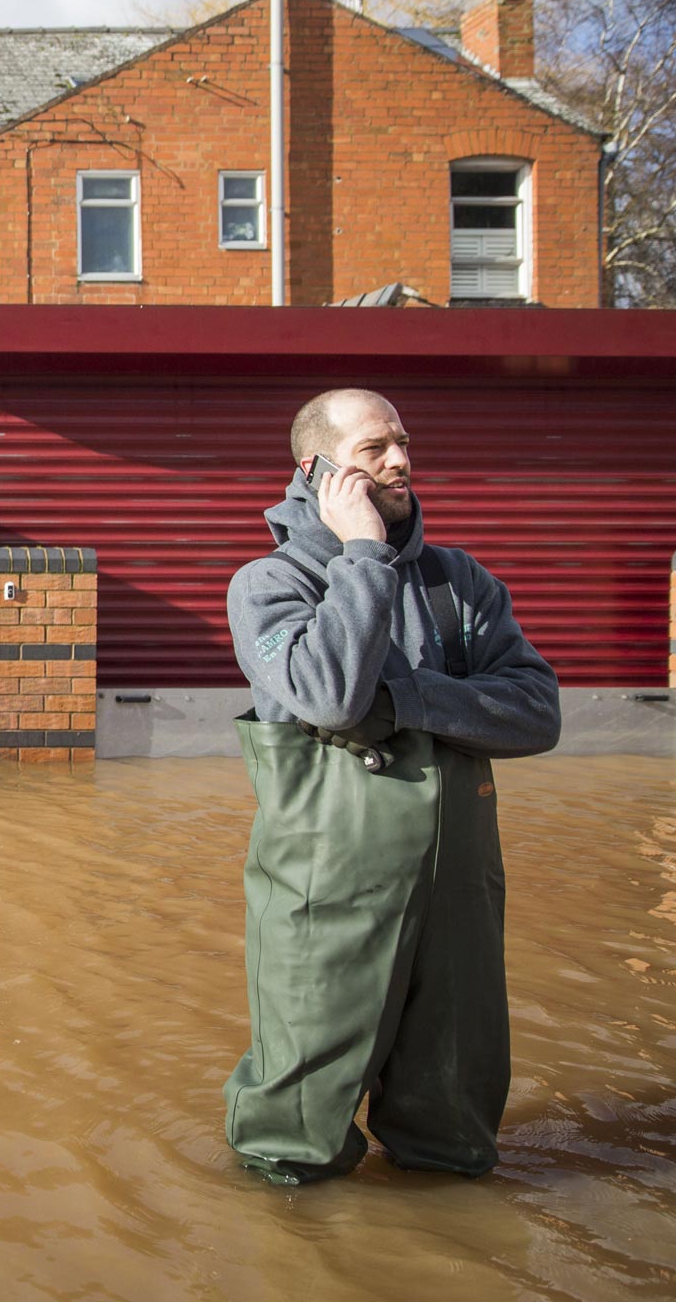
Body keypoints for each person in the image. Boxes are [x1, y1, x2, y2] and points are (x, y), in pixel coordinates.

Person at [222, 388, 560, 1185]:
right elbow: (334, 694)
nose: (401, 460)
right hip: (326, 892)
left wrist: (408, 700)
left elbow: (538, 713)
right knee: (294, 1133)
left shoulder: (458, 583)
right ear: (318, 470)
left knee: (455, 1123)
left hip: (459, 894)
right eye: (375, 449)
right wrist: (363, 555)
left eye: (403, 442)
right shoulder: (268, 585)